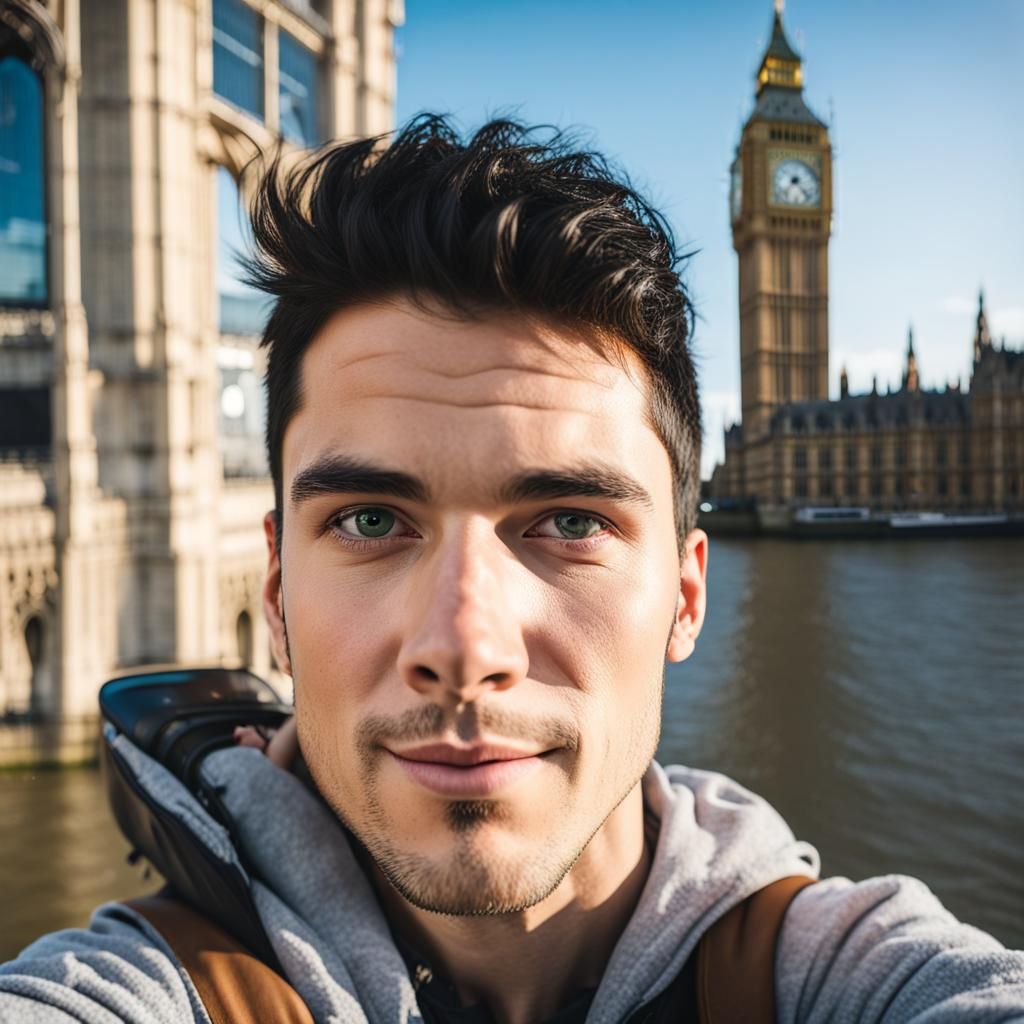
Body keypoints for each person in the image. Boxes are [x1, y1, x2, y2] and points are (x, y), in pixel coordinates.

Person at [2, 116, 1023, 1023]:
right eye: (369, 519)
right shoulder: (141, 987)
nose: (466, 644)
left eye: (569, 519)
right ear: (273, 590)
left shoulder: (847, 972)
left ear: (684, 591)